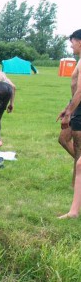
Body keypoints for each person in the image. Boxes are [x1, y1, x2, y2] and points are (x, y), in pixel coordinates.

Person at [57, 30, 81, 219]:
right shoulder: (79, 60)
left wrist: (70, 113)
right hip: (75, 106)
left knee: (79, 154)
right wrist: (67, 107)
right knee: (63, 139)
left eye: (72, 42)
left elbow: (80, 90)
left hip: (79, 109)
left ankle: (76, 188)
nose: (71, 45)